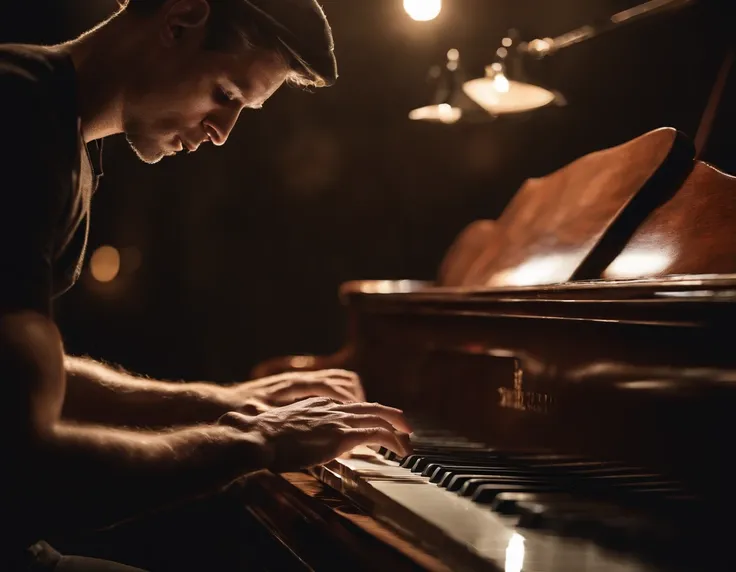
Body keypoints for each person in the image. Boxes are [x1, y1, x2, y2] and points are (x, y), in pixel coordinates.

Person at [0, 1, 412, 570]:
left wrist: (226, 404)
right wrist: (254, 443)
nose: (221, 133)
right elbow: (26, 468)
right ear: (180, 19)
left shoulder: (57, 128)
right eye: (226, 95)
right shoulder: (18, 117)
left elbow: (34, 379)